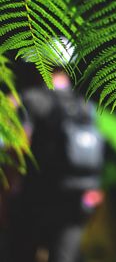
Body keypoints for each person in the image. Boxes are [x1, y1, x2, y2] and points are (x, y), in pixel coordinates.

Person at [7, 67, 106, 262]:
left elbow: (17, 147)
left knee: (22, 253)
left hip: (35, 195)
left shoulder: (32, 99)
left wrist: (9, 188)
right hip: (75, 198)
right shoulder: (85, 105)